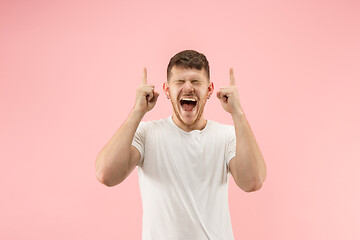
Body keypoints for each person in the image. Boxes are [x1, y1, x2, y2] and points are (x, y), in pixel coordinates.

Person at [95, 50, 267, 240]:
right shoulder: (146, 134)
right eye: (179, 81)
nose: (188, 88)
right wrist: (137, 112)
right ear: (167, 90)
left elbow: (252, 181)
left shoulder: (227, 136)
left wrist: (238, 114)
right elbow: (106, 175)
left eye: (196, 82)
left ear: (209, 90)